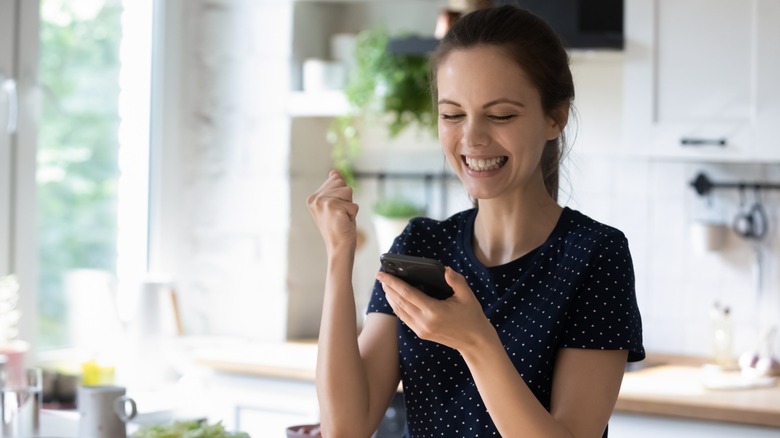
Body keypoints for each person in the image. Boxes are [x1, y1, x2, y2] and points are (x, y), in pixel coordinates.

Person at [307, 5, 644, 437]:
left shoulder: (594, 256)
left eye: (500, 114)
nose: (472, 138)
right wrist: (340, 256)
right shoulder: (422, 245)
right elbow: (345, 428)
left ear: (554, 117)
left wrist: (475, 340)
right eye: (452, 115)